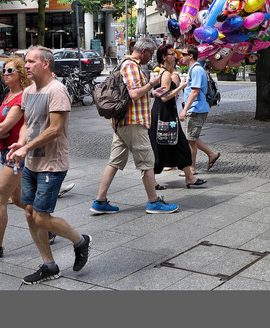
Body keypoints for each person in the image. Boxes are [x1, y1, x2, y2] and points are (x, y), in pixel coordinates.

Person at [0, 55, 72, 262]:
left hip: (18, 155)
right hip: (9, 152)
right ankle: (47, 227)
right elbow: (0, 126)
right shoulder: (13, 96)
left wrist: (3, 131)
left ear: (20, 75)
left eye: (11, 71)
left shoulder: (22, 98)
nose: (6, 74)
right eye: (4, 71)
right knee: (20, 201)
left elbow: (2, 128)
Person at [10, 46, 93, 284]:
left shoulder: (57, 90)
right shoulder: (28, 92)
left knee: (41, 217)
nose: (26, 66)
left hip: (52, 164)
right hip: (32, 163)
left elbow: (55, 129)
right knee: (29, 213)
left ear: (45, 64)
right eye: (26, 61)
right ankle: (49, 265)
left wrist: (26, 148)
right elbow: (28, 124)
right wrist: (20, 144)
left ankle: (81, 241)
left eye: (31, 61)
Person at [93, 39, 176, 215]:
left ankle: (100, 201)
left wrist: (152, 93)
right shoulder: (131, 65)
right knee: (147, 163)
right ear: (144, 50)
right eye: (151, 52)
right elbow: (134, 93)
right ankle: (153, 202)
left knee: (114, 162)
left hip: (123, 123)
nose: (151, 56)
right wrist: (152, 83)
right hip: (133, 123)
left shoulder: (129, 65)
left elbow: (133, 93)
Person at [151, 50, 196, 188]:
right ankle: (151, 181)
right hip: (164, 113)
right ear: (164, 57)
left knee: (178, 143)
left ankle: (189, 177)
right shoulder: (166, 74)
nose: (175, 56)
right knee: (162, 146)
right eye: (171, 54)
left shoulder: (162, 72)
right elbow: (165, 97)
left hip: (166, 112)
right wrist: (181, 87)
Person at [182, 54, 222, 172]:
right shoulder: (194, 68)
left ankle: (192, 168)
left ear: (190, 56)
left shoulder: (197, 69)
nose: (181, 56)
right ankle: (211, 154)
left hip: (196, 109)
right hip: (195, 108)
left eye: (184, 54)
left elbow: (195, 92)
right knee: (191, 137)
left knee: (191, 139)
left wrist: (185, 110)